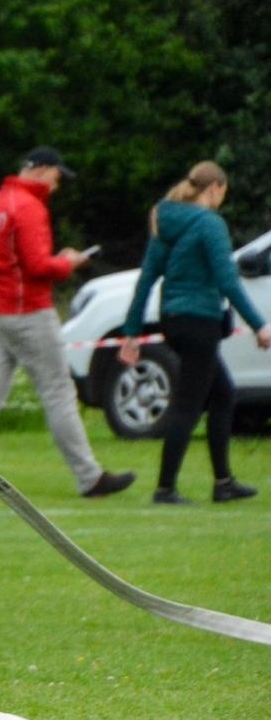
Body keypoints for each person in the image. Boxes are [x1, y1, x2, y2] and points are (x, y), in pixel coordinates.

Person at [0, 147, 135, 498]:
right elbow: (38, 266)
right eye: (57, 175)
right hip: (27, 313)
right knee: (58, 393)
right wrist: (70, 262)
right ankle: (90, 477)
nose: (57, 184)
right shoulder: (29, 207)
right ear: (40, 170)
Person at [118, 161, 271, 505]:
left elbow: (146, 280)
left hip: (173, 319)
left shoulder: (167, 222)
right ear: (214, 188)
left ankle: (224, 482)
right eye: (223, 193)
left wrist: (131, 332)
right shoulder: (209, 224)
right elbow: (227, 279)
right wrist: (260, 325)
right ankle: (165, 489)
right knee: (188, 404)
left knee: (223, 394)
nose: (222, 200)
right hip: (200, 321)